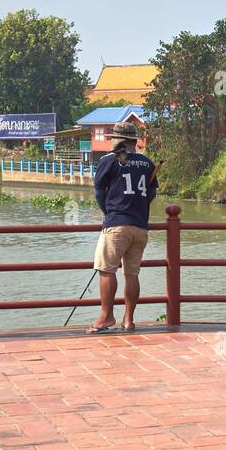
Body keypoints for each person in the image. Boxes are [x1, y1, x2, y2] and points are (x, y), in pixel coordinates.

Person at [89, 121, 158, 334]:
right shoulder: (147, 163)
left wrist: (109, 213)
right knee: (132, 274)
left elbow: (99, 192)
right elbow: (152, 194)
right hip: (140, 227)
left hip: (116, 224)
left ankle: (106, 317)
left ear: (116, 141)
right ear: (134, 141)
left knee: (106, 270)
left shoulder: (108, 161)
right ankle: (128, 320)